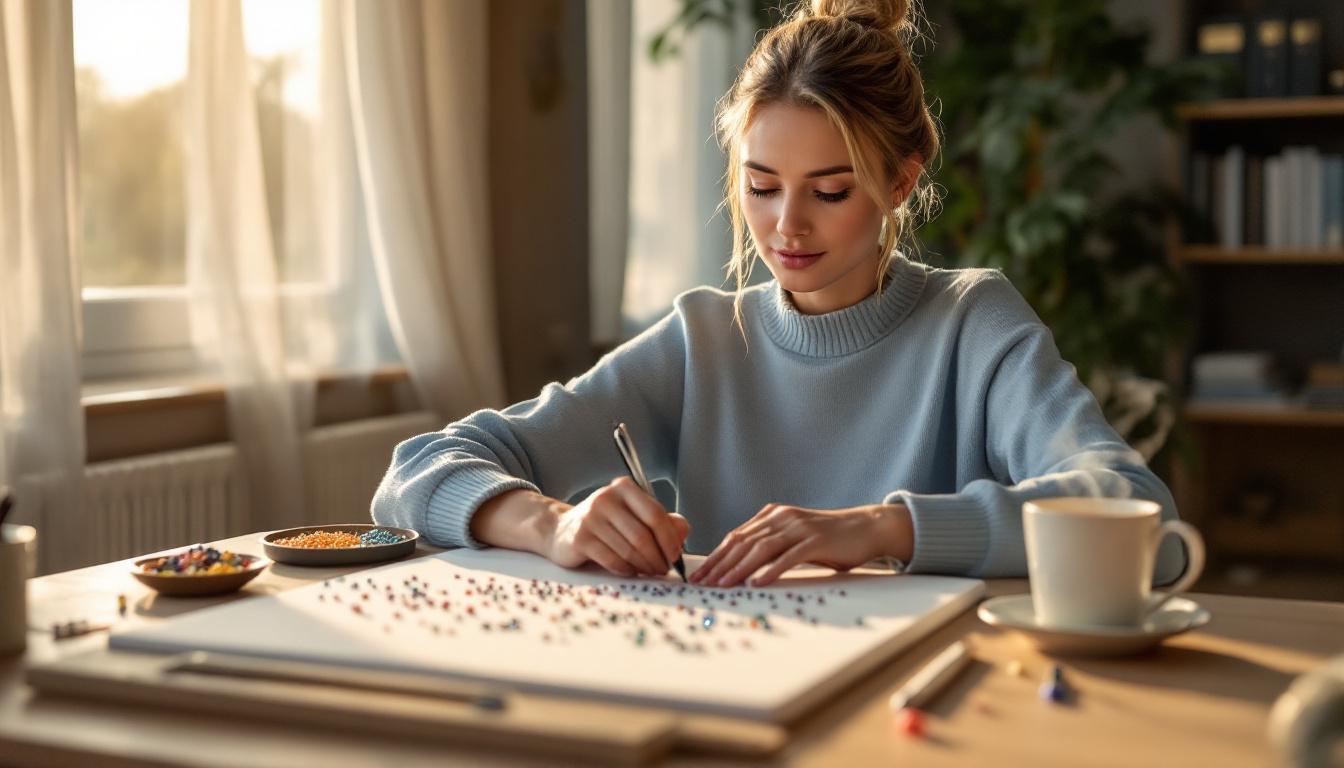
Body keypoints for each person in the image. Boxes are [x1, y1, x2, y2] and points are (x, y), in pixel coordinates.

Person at [372, 0, 1187, 589]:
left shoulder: (973, 323)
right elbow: (416, 472)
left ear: (900, 181)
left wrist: (877, 527)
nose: (786, 226)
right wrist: (553, 524)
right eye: (762, 187)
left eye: (830, 192)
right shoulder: (701, 339)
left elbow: (1131, 503)